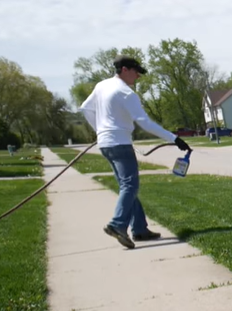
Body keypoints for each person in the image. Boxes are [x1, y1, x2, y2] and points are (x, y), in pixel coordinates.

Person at [79, 56, 191, 249]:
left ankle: (139, 229)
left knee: (127, 187)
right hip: (119, 143)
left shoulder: (101, 86)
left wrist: (100, 130)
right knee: (130, 185)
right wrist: (174, 139)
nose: (138, 75)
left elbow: (85, 109)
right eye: (136, 71)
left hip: (105, 144)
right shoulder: (125, 93)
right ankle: (117, 225)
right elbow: (145, 122)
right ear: (124, 69)